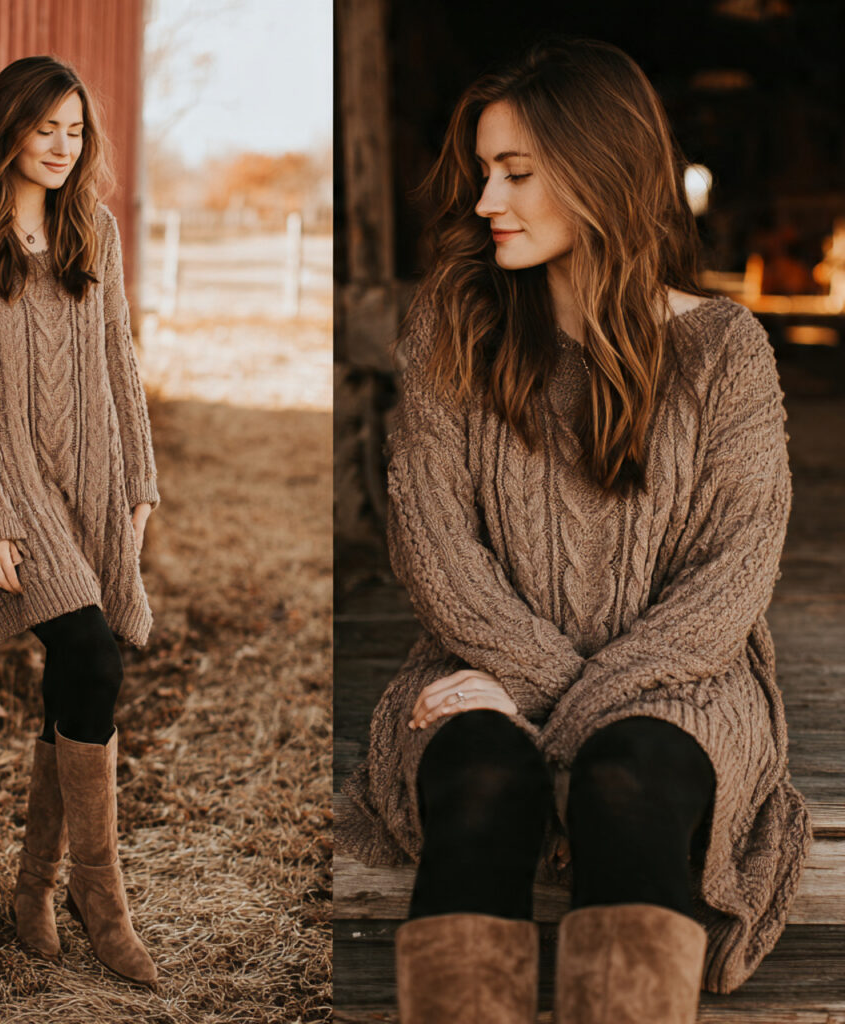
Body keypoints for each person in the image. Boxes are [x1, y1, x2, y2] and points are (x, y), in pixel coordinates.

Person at [337, 36, 813, 1023]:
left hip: (683, 677)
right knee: (475, 777)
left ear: (600, 173)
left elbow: (729, 578)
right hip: (478, 657)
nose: (484, 202)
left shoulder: (725, 351)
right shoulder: (450, 326)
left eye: (515, 172)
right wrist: (530, 683)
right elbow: (432, 545)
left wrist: (565, 709)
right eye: (481, 172)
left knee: (628, 779)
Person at [0, 55, 160, 988]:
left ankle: (32, 890)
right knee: (92, 655)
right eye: (44, 127)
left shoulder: (92, 229)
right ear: (7, 128)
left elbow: (120, 364)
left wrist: (138, 481)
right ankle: (106, 906)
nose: (62, 147)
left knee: (81, 671)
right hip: (12, 487)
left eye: (75, 131)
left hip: (95, 479)